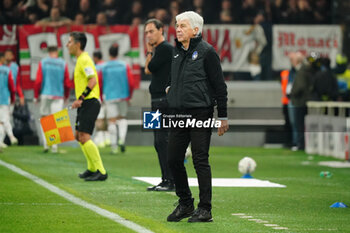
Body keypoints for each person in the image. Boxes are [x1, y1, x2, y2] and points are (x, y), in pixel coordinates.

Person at [166, 11, 229, 222]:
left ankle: (205, 209)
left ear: (195, 30)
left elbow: (220, 87)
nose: (178, 29)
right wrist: (171, 91)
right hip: (178, 114)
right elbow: (176, 82)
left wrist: (223, 116)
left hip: (201, 112)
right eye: (177, 25)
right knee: (173, 158)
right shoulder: (176, 53)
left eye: (183, 25)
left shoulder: (207, 52)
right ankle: (185, 203)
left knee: (200, 160)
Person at [66, 32, 107, 181]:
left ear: (77, 44)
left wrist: (81, 98)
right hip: (85, 102)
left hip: (90, 101)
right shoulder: (79, 60)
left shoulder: (84, 59)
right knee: (78, 136)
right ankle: (91, 168)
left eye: (69, 42)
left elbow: (93, 81)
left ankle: (101, 171)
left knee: (84, 136)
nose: (67, 45)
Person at [144, 18, 174, 192]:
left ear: (161, 30)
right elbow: (148, 69)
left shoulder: (164, 49)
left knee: (162, 140)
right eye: (146, 32)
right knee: (158, 141)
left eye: (151, 31)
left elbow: (149, 68)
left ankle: (170, 180)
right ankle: (165, 179)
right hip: (155, 100)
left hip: (163, 101)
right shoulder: (160, 50)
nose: (148, 35)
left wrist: (149, 52)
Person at [34, 46, 71, 153]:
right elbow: (67, 82)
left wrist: (36, 95)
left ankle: (45, 143)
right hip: (58, 95)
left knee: (45, 118)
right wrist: (66, 95)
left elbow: (38, 81)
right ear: (57, 52)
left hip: (46, 93)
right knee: (56, 120)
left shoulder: (43, 63)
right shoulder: (63, 64)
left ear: (48, 52)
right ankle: (54, 146)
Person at [100, 44, 134, 154]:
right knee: (123, 118)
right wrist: (129, 95)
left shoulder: (104, 67)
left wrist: (101, 95)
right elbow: (131, 82)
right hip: (123, 96)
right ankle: (122, 140)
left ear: (109, 53)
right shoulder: (125, 66)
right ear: (118, 53)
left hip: (109, 96)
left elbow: (100, 82)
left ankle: (114, 147)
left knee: (112, 121)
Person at [92, 51, 109, 148]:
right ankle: (107, 138)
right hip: (110, 94)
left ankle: (100, 139)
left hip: (100, 94)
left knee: (99, 117)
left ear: (95, 58)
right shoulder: (107, 66)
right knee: (109, 118)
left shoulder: (96, 68)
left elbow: (96, 83)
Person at [0, 52, 16, 151]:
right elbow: (12, 87)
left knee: (1, 121)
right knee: (5, 119)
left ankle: (0, 142)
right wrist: (13, 98)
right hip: (4, 98)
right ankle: (11, 136)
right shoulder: (7, 70)